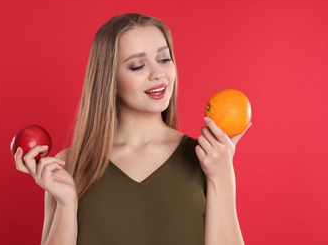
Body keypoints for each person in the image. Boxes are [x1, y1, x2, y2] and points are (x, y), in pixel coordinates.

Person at [14, 13, 251, 245]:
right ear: (110, 79)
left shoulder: (207, 158)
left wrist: (222, 177)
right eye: (137, 66)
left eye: (164, 59)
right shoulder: (68, 165)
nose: (158, 74)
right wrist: (66, 204)